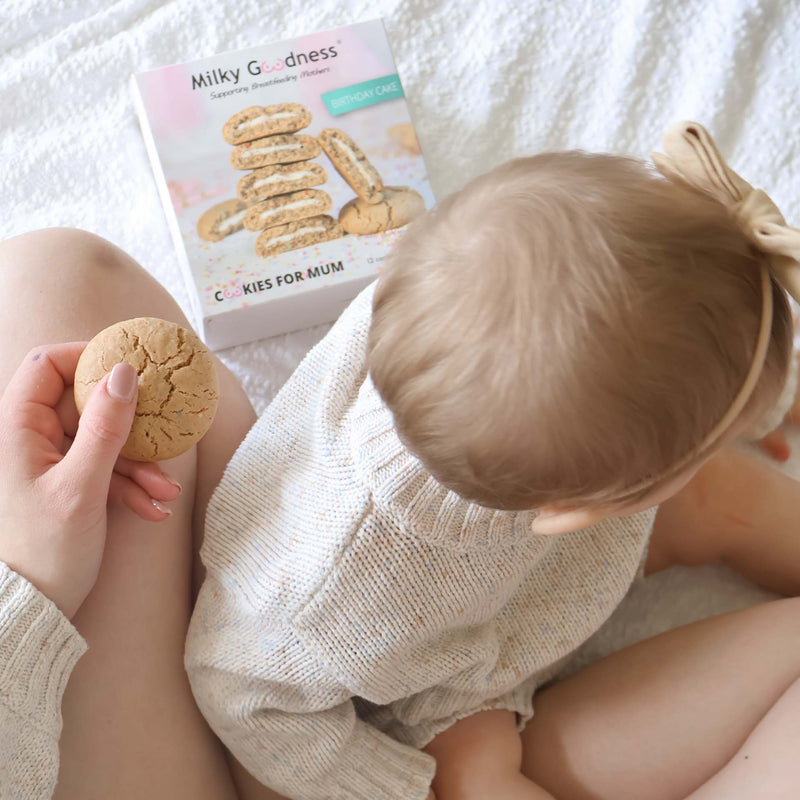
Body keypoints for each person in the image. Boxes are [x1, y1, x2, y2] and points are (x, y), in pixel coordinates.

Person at [0, 121, 799, 800]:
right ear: (577, 506)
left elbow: (634, 313)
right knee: (482, 774)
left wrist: (737, 378)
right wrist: (388, 780)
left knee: (722, 489)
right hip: (432, 683)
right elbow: (242, 694)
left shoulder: (452, 298)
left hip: (522, 562)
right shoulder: (324, 597)